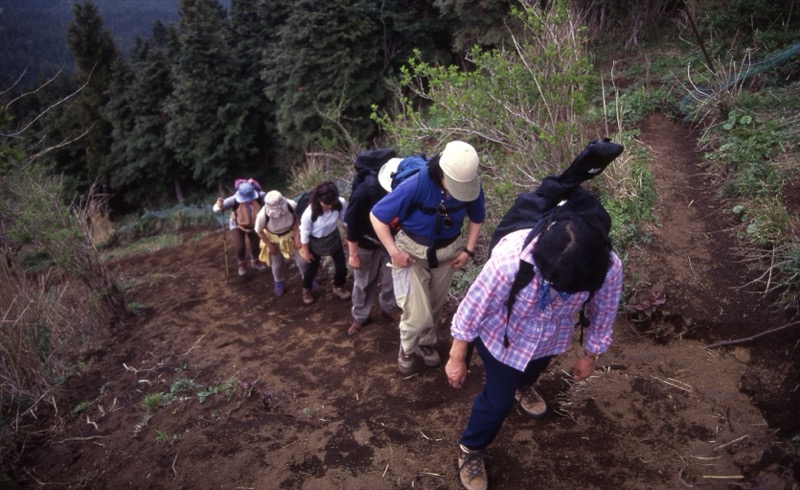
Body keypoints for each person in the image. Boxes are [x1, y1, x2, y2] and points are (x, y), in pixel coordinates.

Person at [444, 215, 624, 490]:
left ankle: (523, 386)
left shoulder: (606, 265)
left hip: (550, 337)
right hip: (501, 337)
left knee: (533, 370)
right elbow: (474, 307)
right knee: (497, 402)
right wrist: (457, 356)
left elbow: (604, 310)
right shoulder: (510, 261)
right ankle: (471, 448)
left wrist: (591, 355)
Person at [370, 141, 485, 374]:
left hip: (446, 254)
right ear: (441, 172)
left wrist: (468, 250)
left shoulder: (471, 185)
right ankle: (407, 348)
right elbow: (377, 216)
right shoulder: (415, 185)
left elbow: (477, 217)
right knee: (417, 315)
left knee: (434, 307)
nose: (459, 190)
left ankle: (425, 343)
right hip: (411, 254)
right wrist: (394, 252)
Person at [343, 158, 403, 337]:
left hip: (390, 239)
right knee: (363, 281)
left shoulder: (400, 186)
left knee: (392, 276)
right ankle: (360, 316)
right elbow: (352, 224)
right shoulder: (363, 193)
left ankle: (388, 307)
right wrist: (353, 254)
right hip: (366, 241)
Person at [299, 181, 351, 305]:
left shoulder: (340, 203)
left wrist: (348, 237)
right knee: (312, 268)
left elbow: (344, 221)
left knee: (341, 267)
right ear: (319, 199)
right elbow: (304, 234)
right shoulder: (309, 214)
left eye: (332, 203)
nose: (330, 207)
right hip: (315, 242)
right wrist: (306, 252)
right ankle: (306, 289)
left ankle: (338, 286)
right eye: (326, 204)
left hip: (333, 237)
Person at [255, 191, 307, 297]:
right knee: (277, 264)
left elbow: (298, 219)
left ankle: (307, 279)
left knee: (302, 261)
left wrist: (297, 237)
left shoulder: (291, 205)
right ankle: (278, 282)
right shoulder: (262, 215)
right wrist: (269, 245)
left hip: (292, 234)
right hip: (274, 239)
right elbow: (259, 231)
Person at [214, 179, 268, 277]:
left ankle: (255, 261)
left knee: (256, 244)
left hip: (254, 223)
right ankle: (241, 264)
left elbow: (272, 197)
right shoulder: (234, 199)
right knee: (240, 246)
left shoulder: (260, 196)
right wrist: (219, 205)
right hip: (237, 224)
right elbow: (216, 208)